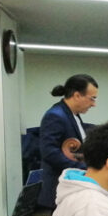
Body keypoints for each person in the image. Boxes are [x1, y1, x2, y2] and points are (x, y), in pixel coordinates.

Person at [38, 74, 99, 209]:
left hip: (71, 187)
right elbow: (49, 152)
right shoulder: (55, 115)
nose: (94, 104)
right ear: (77, 95)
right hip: (59, 189)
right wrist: (85, 169)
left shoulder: (73, 115)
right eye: (92, 99)